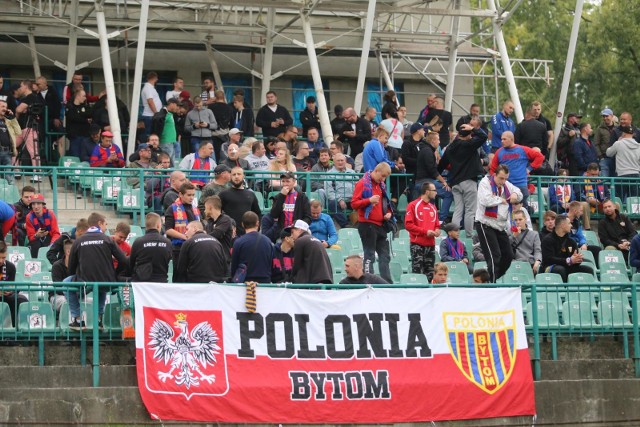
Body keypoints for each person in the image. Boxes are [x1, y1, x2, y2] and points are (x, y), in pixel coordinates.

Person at [67, 212, 128, 330]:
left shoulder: (78, 241)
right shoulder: (108, 240)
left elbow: (71, 268)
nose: (106, 227)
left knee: (66, 282)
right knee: (101, 283)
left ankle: (78, 319)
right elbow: (124, 261)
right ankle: (99, 319)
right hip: (107, 282)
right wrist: (114, 274)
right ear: (99, 223)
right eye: (105, 224)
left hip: (85, 283)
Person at [438, 122, 488, 237]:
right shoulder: (469, 144)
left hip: (455, 183)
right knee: (470, 211)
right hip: (469, 181)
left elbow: (441, 165)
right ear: (469, 135)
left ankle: (453, 235)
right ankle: (469, 237)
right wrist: (473, 128)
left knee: (458, 210)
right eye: (470, 134)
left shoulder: (450, 147)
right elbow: (483, 136)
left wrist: (442, 177)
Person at [475, 164, 522, 282]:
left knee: (508, 255)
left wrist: (515, 194)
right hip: (485, 223)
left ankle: (489, 279)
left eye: (506, 178)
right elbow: (485, 200)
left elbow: (519, 192)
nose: (503, 181)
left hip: (499, 226)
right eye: (501, 178)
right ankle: (492, 285)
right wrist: (501, 200)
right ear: (494, 175)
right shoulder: (485, 183)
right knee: (494, 256)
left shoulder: (506, 185)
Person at [351, 162, 394, 283]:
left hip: (381, 224)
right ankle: (368, 281)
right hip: (367, 224)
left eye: (385, 177)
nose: (383, 179)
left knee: (385, 256)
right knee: (369, 255)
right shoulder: (362, 183)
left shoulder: (381, 185)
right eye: (383, 176)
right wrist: (368, 200)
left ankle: (387, 283)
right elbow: (354, 203)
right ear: (377, 171)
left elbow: (386, 203)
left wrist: (389, 213)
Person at [490, 130, 544, 206]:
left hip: (520, 184)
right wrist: (496, 181)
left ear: (511, 139)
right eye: (501, 139)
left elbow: (540, 157)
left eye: (504, 139)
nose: (502, 141)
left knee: (522, 209)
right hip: (505, 185)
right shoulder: (499, 152)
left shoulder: (523, 149)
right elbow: (493, 169)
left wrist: (529, 168)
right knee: (507, 209)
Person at [541, 214, 593, 282]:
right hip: (549, 267)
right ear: (562, 225)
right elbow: (549, 259)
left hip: (567, 266)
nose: (571, 225)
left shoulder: (571, 241)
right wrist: (569, 260)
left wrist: (578, 259)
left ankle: (585, 291)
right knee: (560, 270)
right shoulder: (547, 240)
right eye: (569, 223)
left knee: (588, 270)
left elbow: (574, 260)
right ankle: (564, 291)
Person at [164, 182, 200, 281]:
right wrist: (185, 237)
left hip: (194, 246)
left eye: (193, 195)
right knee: (179, 275)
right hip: (179, 248)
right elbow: (168, 230)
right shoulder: (172, 208)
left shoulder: (195, 209)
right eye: (189, 195)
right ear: (180, 194)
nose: (191, 198)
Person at [404, 182, 440, 280]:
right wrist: (425, 232)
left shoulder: (433, 207)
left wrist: (437, 231)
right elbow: (408, 225)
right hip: (417, 244)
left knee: (430, 273)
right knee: (417, 272)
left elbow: (437, 224)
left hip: (431, 244)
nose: (436, 193)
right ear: (427, 192)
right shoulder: (413, 205)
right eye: (434, 190)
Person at [416, 130, 451, 222]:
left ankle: (430, 221)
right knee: (448, 193)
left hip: (423, 181)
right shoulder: (427, 151)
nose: (439, 142)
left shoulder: (427, 150)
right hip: (425, 182)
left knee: (431, 201)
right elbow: (432, 171)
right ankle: (441, 220)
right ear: (433, 141)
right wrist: (443, 182)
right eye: (438, 140)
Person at [231, 212, 274, 283]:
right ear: (257, 223)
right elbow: (272, 264)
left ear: (242, 224)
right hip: (265, 283)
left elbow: (234, 267)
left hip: (245, 284)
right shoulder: (268, 241)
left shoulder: (238, 242)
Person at [128, 212, 172, 282]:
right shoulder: (167, 242)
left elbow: (131, 263)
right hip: (161, 282)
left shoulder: (138, 242)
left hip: (141, 284)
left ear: (146, 226)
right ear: (158, 226)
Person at [219, 167, 261, 235]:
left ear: (243, 176)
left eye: (239, 174)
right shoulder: (223, 194)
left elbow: (258, 213)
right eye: (234, 174)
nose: (236, 176)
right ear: (230, 176)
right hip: (229, 234)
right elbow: (218, 213)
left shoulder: (251, 194)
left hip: (247, 234)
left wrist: (256, 228)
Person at [289, 220, 333, 285]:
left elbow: (297, 265)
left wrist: (290, 279)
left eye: (292, 232)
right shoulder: (317, 240)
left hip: (313, 283)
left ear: (299, 230)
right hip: (326, 280)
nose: (291, 236)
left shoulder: (300, 240)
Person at [606, 125, 640, 201]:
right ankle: (635, 213)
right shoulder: (639, 146)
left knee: (619, 199)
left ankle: (619, 212)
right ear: (633, 134)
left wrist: (618, 141)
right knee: (634, 200)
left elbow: (608, 153)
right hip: (636, 174)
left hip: (622, 174)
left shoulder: (619, 143)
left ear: (623, 133)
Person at [325, 153, 357, 227]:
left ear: (345, 161)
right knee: (332, 204)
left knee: (365, 202)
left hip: (352, 199)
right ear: (334, 162)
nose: (340, 162)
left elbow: (358, 186)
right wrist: (339, 199)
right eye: (338, 160)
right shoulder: (329, 174)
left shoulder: (352, 172)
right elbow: (329, 191)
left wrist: (356, 197)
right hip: (338, 200)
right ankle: (345, 225)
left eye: (342, 160)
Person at [0, 241, 27, 327]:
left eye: (3, 257)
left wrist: (10, 291)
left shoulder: (11, 266)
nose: (1, 260)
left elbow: (10, 285)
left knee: (20, 299)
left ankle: (13, 329)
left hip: (4, 295)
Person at [25, 194, 61, 259]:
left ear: (43, 205)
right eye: (33, 204)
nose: (36, 206)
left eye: (38, 203)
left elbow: (56, 233)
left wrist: (51, 245)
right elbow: (30, 237)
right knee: (35, 244)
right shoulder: (29, 217)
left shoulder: (50, 214)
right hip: (36, 240)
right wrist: (37, 235)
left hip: (49, 238)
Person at [510, 209, 542, 274]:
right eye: (516, 220)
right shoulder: (510, 233)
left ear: (525, 219)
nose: (518, 222)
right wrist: (514, 236)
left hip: (529, 262)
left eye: (520, 219)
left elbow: (537, 250)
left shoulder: (534, 234)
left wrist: (537, 260)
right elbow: (505, 247)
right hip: (514, 262)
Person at [64, 88, 93, 158]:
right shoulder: (70, 106)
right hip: (75, 136)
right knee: (75, 156)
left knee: (85, 156)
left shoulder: (86, 106)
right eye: (83, 96)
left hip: (85, 135)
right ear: (77, 96)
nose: (85, 98)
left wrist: (79, 114)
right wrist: (85, 120)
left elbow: (90, 114)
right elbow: (73, 117)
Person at [50, 239, 72, 316]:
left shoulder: (80, 266)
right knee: (65, 302)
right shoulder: (57, 266)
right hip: (57, 296)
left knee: (93, 301)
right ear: (68, 252)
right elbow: (59, 288)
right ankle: (65, 326)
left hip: (75, 296)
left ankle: (97, 325)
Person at [140, 71, 162, 141]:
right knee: (150, 135)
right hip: (150, 115)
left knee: (152, 135)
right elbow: (150, 101)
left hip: (152, 115)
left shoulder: (150, 88)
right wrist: (156, 113)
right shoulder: (148, 88)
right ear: (155, 78)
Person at [595, 108, 616, 177]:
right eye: (603, 116)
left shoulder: (617, 128)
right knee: (604, 180)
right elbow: (596, 144)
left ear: (612, 116)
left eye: (607, 116)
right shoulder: (599, 129)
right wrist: (601, 157)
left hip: (616, 158)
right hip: (604, 158)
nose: (605, 118)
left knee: (615, 179)